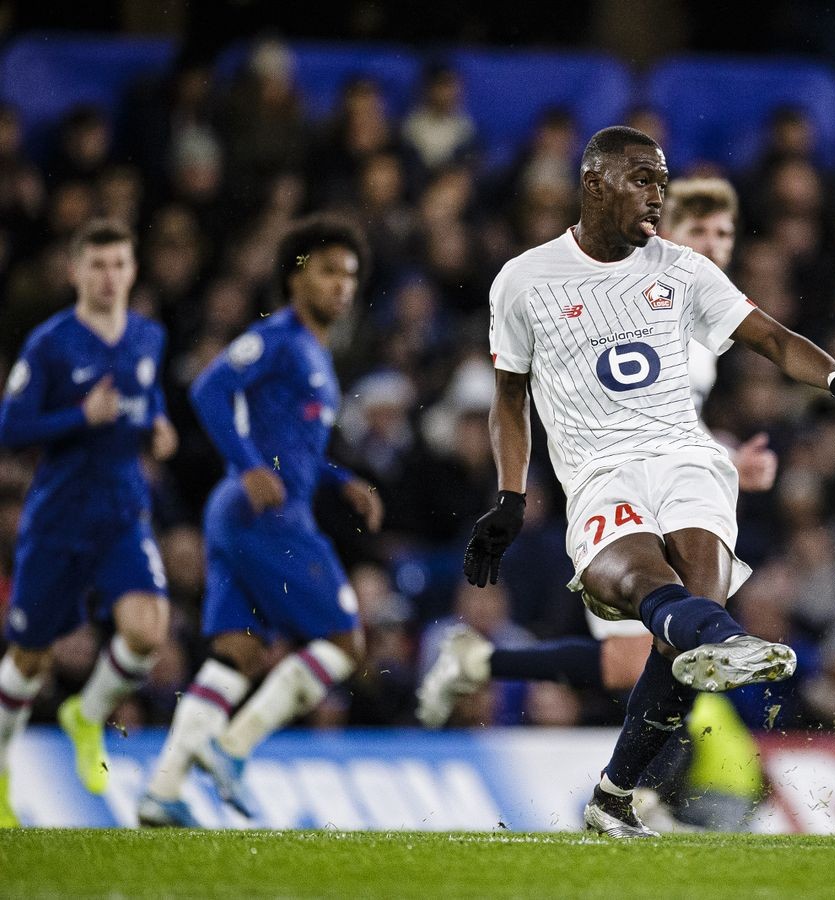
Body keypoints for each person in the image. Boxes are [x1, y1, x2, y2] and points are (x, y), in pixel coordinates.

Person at [458, 126, 835, 839]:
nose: (657, 196)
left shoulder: (683, 270)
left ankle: (614, 796)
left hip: (687, 463)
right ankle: (720, 647)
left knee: (685, 639)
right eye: (642, 180)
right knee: (646, 590)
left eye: (662, 183)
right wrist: (511, 496)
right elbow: (508, 398)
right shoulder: (523, 280)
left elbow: (771, 337)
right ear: (595, 181)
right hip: (600, 473)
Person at [416, 177, 776, 724]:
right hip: (616, 491)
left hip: (659, 489)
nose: (713, 244)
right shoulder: (647, 304)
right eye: (698, 230)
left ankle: (479, 662)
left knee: (636, 659)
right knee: (669, 649)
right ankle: (634, 790)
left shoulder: (697, 318)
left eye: (723, 234)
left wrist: (726, 455)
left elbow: (678, 425)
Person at [137, 216, 383, 827]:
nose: (342, 286)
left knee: (237, 655)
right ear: (296, 277)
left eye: (350, 275)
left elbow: (292, 446)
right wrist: (245, 463)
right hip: (266, 515)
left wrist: (339, 479)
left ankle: (161, 793)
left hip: (246, 512)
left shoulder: (316, 355)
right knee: (345, 642)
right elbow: (208, 389)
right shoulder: (279, 338)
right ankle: (232, 748)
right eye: (329, 271)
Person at [0, 219, 177, 827]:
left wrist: (158, 426)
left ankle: (87, 715)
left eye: (119, 264)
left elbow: (146, 401)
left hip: (123, 510)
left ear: (133, 270)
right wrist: (81, 415)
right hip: (59, 516)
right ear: (75, 271)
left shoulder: (149, 337)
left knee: (148, 629)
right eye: (97, 265)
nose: (109, 277)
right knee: (30, 658)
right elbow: (11, 429)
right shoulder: (50, 343)